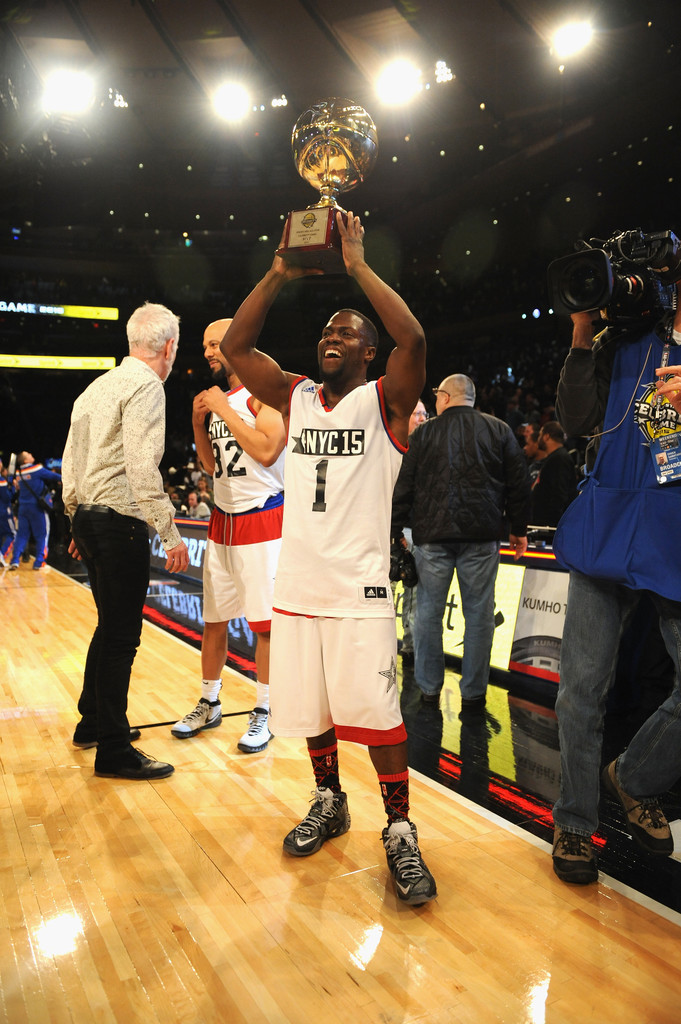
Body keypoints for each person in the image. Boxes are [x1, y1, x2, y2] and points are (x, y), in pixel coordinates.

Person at [220, 212, 437, 906]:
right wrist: (280, 272)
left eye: (347, 333)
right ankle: (328, 799)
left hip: (359, 591)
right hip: (298, 586)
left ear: (370, 352)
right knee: (310, 709)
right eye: (326, 331)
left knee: (376, 717)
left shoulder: (388, 402)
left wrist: (357, 266)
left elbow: (415, 337)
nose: (331, 339)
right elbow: (235, 344)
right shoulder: (296, 395)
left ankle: (399, 830)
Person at [550, 300, 681, 885]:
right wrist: (583, 331)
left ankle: (633, 777)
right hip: (608, 518)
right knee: (581, 689)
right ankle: (574, 824)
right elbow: (577, 420)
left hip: (673, 527)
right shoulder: (624, 336)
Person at [62, 301, 189, 781]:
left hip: (91, 518)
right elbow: (141, 467)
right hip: (121, 522)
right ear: (169, 346)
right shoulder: (147, 386)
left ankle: (93, 721)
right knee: (121, 637)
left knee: (108, 625)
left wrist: (76, 522)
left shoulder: (94, 388)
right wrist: (169, 531)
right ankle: (113, 749)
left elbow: (70, 465)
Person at [171, 318, 285, 753]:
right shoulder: (216, 398)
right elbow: (210, 467)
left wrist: (221, 409)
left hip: (262, 519)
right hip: (223, 521)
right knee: (214, 621)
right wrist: (200, 422)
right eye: (205, 347)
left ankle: (266, 710)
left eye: (215, 344)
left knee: (264, 627)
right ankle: (210, 701)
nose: (208, 352)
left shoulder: (265, 395)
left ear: (240, 344)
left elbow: (267, 450)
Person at [392, 373, 530, 714]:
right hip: (481, 537)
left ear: (445, 397)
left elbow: (404, 487)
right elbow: (520, 482)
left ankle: (427, 690)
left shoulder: (424, 433)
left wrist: (394, 531)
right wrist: (519, 528)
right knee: (480, 617)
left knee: (427, 616)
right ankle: (473, 695)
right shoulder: (499, 429)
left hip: (433, 538)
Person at [398, 399, 428, 662]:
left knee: (416, 594)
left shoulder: (429, 451)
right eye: (416, 413)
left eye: (424, 414)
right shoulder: (391, 448)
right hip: (395, 530)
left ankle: (411, 648)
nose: (421, 418)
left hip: (420, 531)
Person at [8, 451, 62, 570]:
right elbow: (54, 476)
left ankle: (15, 560)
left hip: (23, 508)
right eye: (29, 455)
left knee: (21, 535)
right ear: (26, 461)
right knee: (42, 535)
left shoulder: (18, 472)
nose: (32, 455)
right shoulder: (36, 469)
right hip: (37, 508)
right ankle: (39, 562)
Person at [529, 420, 577, 527]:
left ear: (546, 436)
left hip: (551, 526)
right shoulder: (554, 457)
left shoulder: (560, 458)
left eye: (540, 434)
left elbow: (559, 495)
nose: (539, 438)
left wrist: (553, 525)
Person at [0, 457, 16, 567]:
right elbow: (7, 498)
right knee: (12, 534)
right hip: (4, 512)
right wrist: (13, 488)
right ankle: (2, 555)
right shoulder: (1, 480)